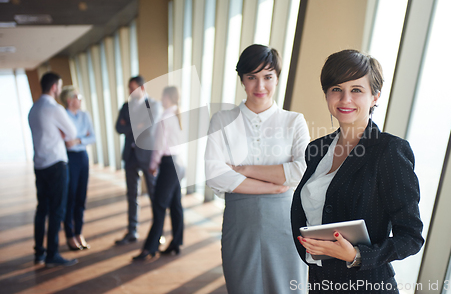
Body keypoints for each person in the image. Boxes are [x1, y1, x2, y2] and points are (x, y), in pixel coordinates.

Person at [291, 49, 424, 293]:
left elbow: (411, 237)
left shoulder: (390, 151)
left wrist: (357, 255)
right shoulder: (316, 149)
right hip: (320, 282)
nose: (345, 99)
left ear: (375, 96)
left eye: (356, 90)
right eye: (336, 89)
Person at [205, 44, 309, 294]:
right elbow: (215, 174)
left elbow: (302, 170)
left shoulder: (293, 121)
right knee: (243, 286)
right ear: (242, 79)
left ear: (277, 78)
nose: (260, 86)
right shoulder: (222, 120)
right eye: (252, 77)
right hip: (240, 222)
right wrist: (273, 186)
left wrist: (241, 168)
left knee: (289, 287)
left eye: (267, 77)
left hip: (286, 221)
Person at [28, 72, 78, 268]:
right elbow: (72, 134)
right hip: (56, 164)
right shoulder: (54, 108)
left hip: (39, 165)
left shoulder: (33, 109)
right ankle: (52, 254)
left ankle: (39, 252)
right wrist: (62, 133)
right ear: (55, 88)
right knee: (58, 210)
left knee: (42, 210)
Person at [133, 86, 185, 260]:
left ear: (168, 97)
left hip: (169, 164)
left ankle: (150, 247)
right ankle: (176, 243)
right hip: (179, 163)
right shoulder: (179, 114)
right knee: (176, 205)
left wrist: (153, 165)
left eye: (163, 96)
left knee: (159, 205)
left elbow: (160, 146)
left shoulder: (165, 117)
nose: (161, 99)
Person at [115, 76, 162, 245]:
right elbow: (118, 128)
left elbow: (149, 129)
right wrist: (138, 126)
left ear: (142, 88)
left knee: (154, 194)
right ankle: (132, 231)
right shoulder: (125, 106)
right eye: (128, 88)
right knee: (131, 195)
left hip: (148, 156)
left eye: (132, 88)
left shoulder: (154, 105)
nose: (129, 91)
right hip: (130, 156)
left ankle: (158, 233)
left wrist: (131, 126)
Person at [59, 86, 96, 251]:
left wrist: (79, 140)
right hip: (69, 158)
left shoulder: (84, 115)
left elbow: (92, 136)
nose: (80, 99)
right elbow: (65, 140)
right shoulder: (62, 115)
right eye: (77, 96)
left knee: (81, 196)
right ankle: (69, 235)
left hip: (82, 156)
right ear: (69, 100)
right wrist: (82, 137)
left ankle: (79, 232)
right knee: (70, 196)